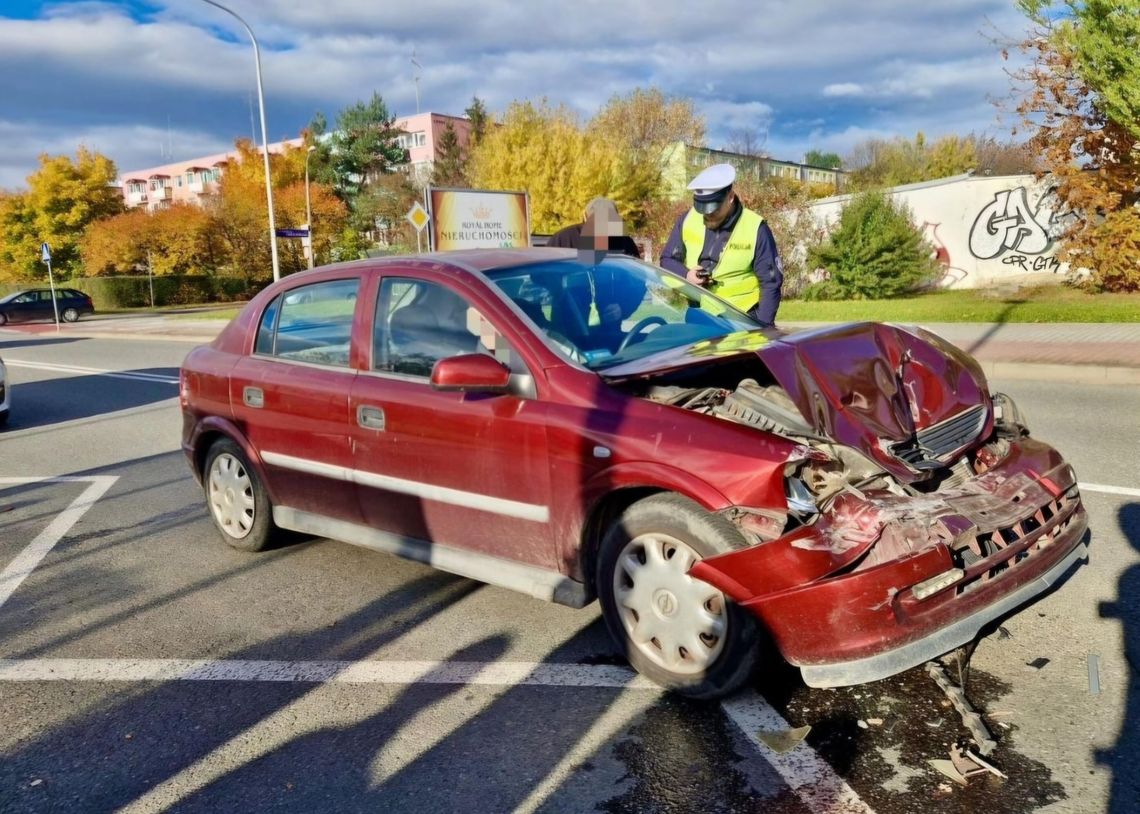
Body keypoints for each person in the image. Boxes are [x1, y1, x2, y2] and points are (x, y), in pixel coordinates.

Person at [660, 164, 783, 327]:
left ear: (730, 197)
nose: (707, 215)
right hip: (698, 317)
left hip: (741, 321)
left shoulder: (756, 228)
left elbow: (771, 283)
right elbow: (667, 260)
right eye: (702, 209)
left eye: (713, 210)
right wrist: (686, 275)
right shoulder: (687, 219)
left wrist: (764, 327)